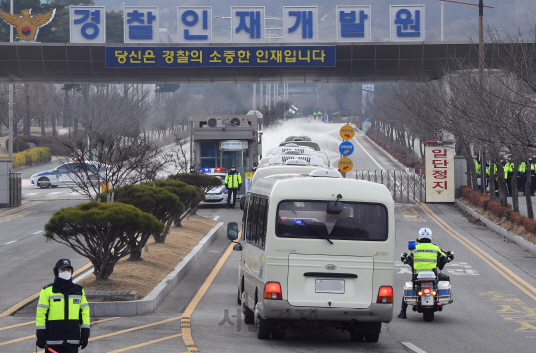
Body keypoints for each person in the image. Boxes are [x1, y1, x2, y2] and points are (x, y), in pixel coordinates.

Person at [36, 259, 90, 353]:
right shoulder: (47, 291)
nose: (66, 272)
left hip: (72, 340)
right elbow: (41, 314)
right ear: (56, 271)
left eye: (68, 270)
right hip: (53, 340)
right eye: (63, 270)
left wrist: (85, 334)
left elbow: (84, 313)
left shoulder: (79, 291)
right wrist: (40, 335)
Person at [398, 228, 451, 319]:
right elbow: (445, 257)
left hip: (417, 276)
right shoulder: (435, 248)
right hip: (433, 276)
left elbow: (407, 259)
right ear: (430, 237)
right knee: (444, 280)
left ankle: (403, 312)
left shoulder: (414, 248)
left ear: (419, 237)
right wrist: (448, 257)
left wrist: (405, 258)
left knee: (408, 288)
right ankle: (439, 301)